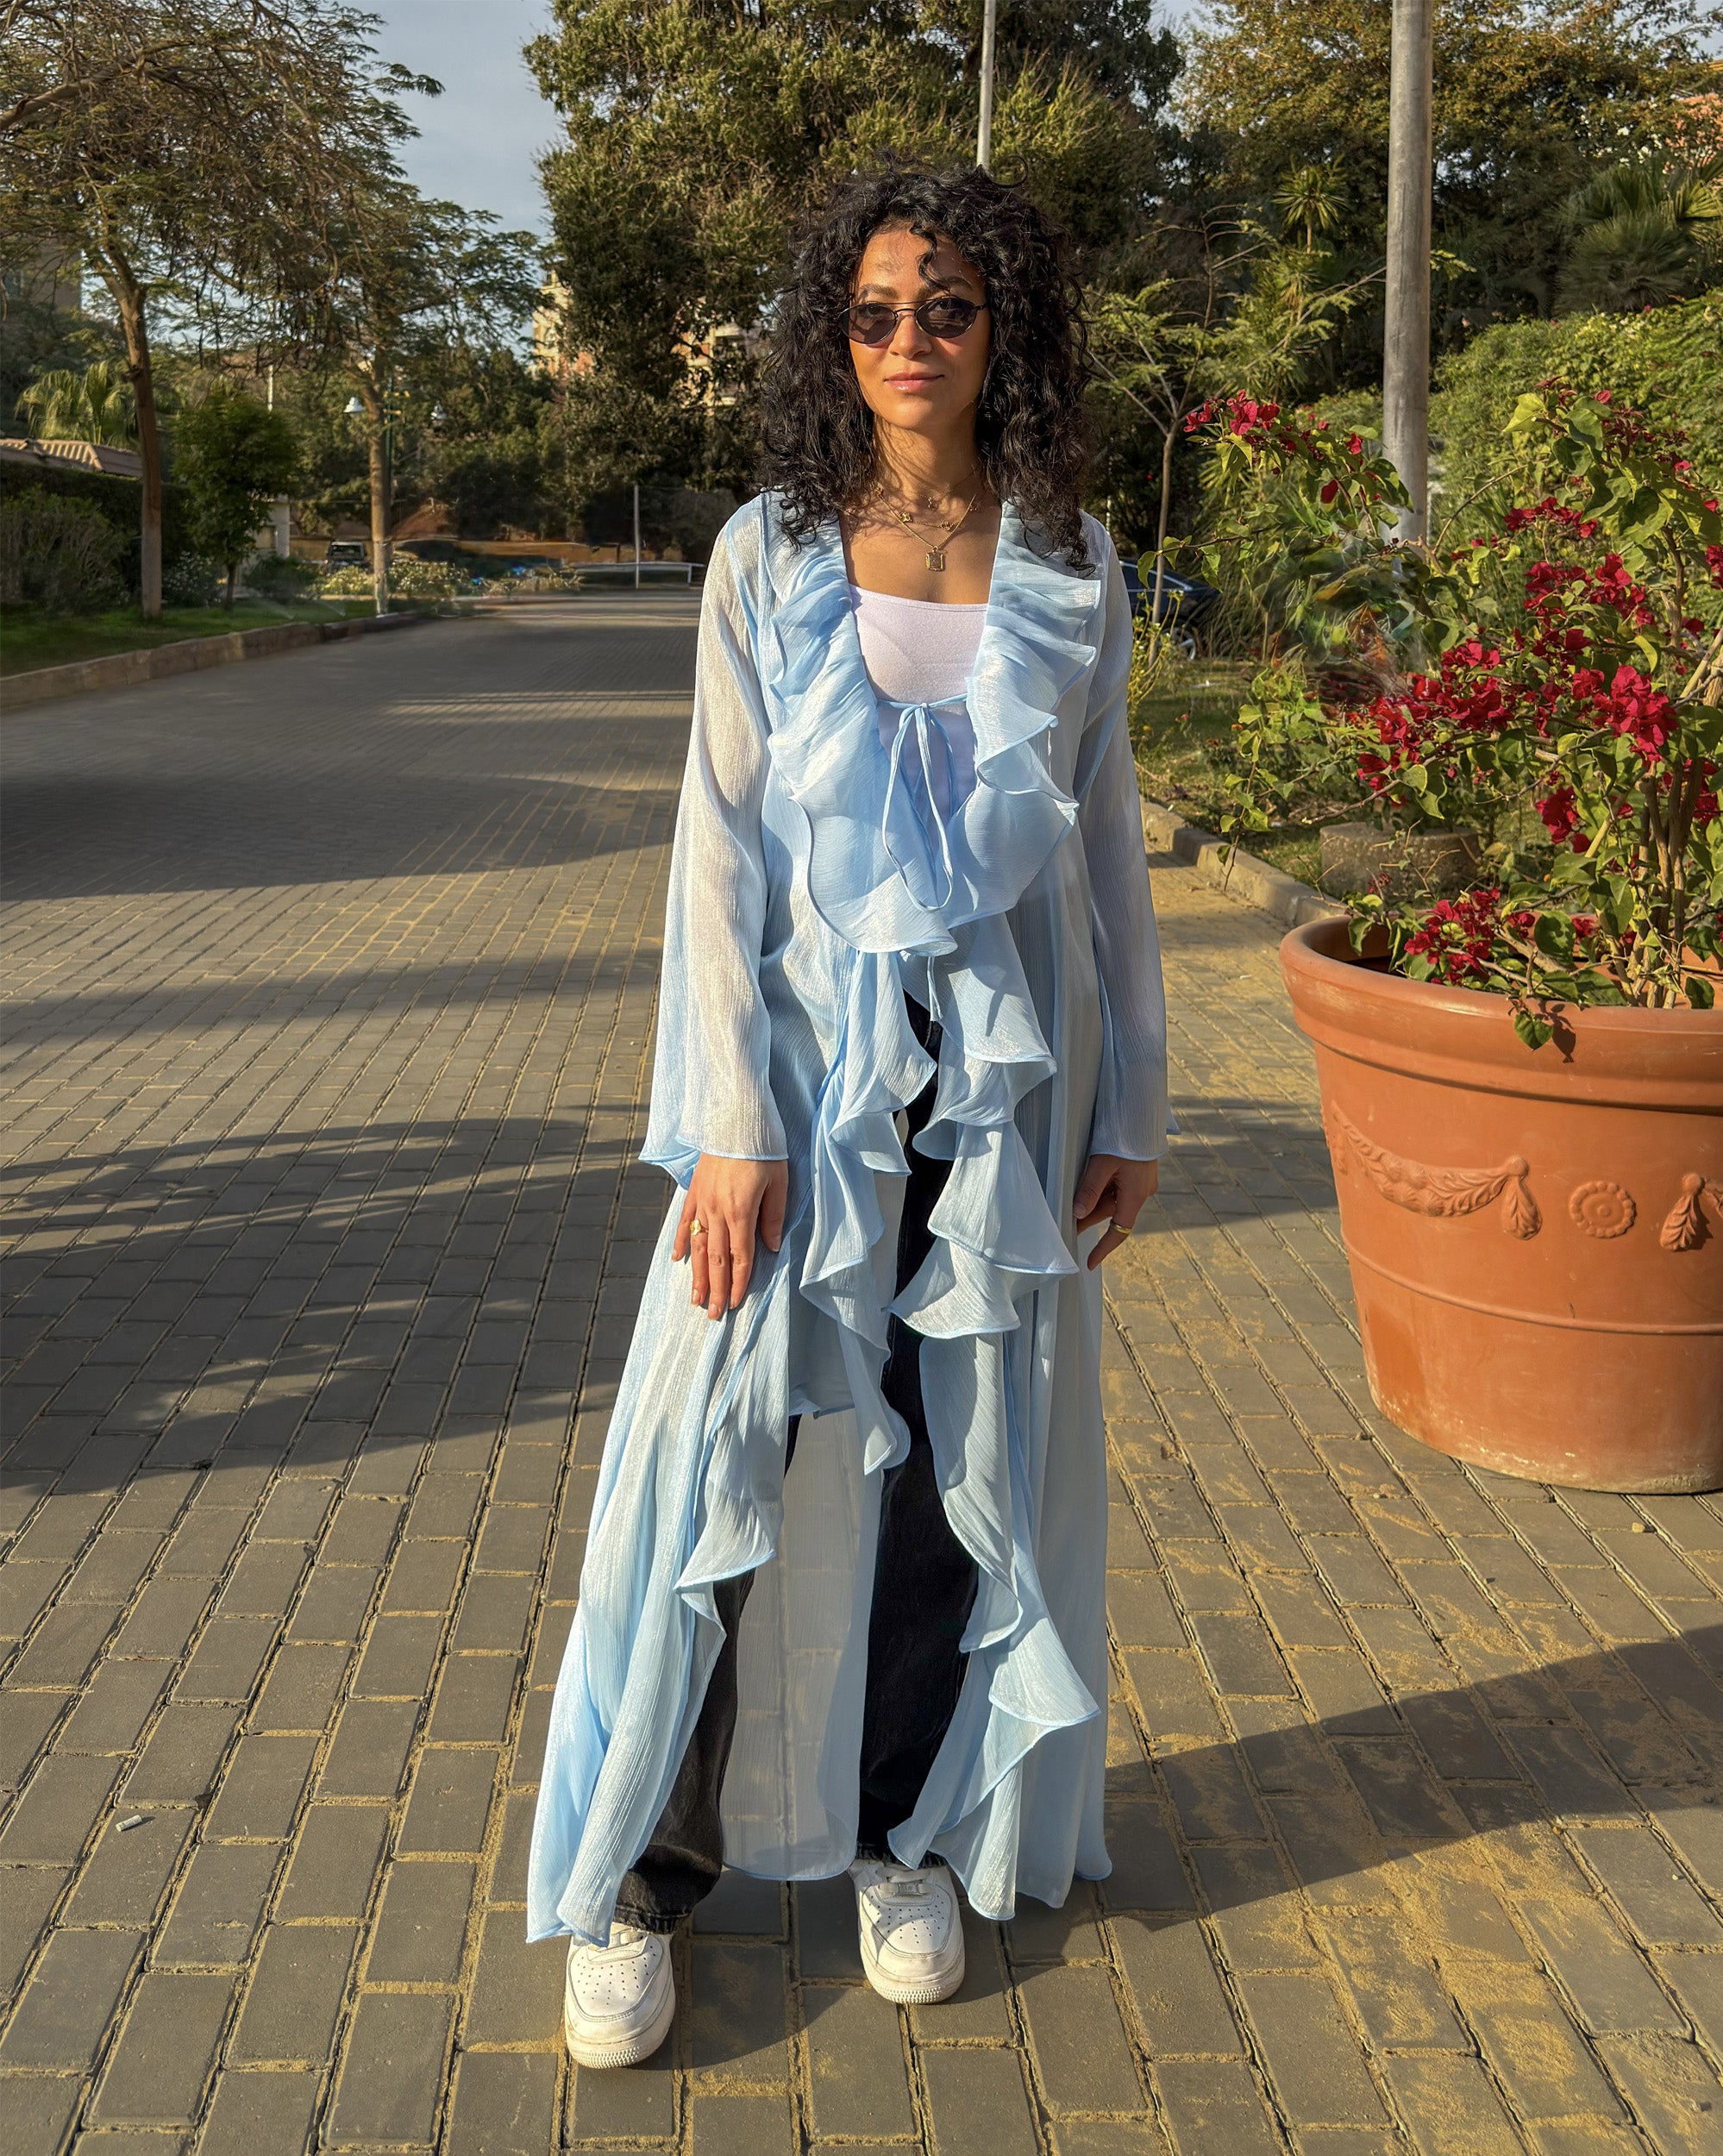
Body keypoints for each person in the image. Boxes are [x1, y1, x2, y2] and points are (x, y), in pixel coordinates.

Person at [528, 164, 1169, 2071]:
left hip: (1000, 1104)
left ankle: (908, 1840)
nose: (910, 339)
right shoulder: (769, 550)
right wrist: (730, 1115)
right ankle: (639, 1872)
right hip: (797, 1099)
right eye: (876, 309)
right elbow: (717, 850)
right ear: (834, 334)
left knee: (955, 1475)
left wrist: (1130, 1096)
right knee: (715, 1459)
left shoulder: (1072, 556)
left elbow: (1109, 849)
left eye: (947, 305)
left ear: (1002, 332)